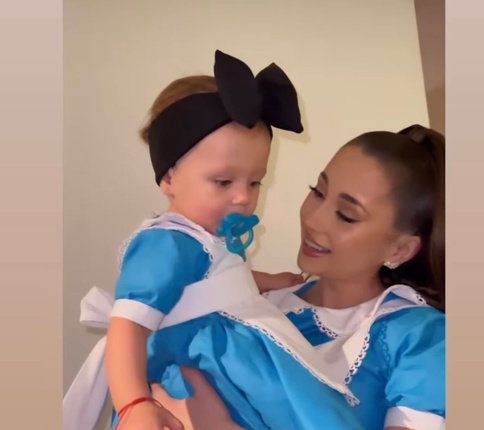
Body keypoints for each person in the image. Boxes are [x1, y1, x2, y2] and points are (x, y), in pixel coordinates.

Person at [63, 50, 365, 430]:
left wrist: (266, 281)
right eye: (223, 181)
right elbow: (127, 326)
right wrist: (134, 404)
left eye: (255, 182)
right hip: (202, 365)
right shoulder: (166, 241)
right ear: (169, 177)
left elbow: (212, 285)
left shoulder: (206, 238)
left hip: (230, 361)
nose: (242, 196)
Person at [151, 124, 447, 430]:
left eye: (346, 215)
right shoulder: (254, 304)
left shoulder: (422, 340)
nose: (314, 219)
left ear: (400, 249)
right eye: (318, 192)